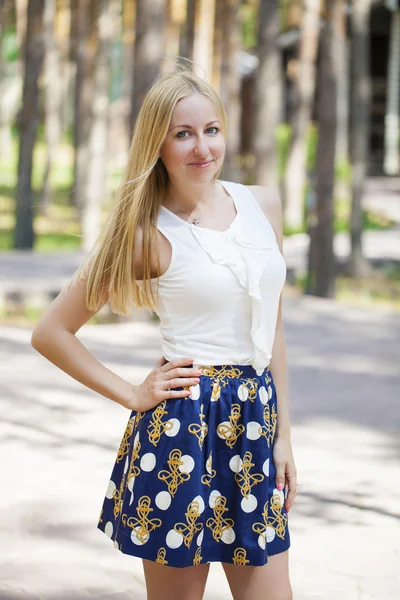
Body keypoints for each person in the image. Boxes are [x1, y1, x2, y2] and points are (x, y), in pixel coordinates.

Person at [31, 66, 297, 600]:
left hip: (254, 424)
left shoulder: (262, 204)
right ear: (158, 144)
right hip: (183, 433)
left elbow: (272, 323)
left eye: (211, 129)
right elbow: (51, 331)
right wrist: (132, 393)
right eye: (183, 134)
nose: (202, 147)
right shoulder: (146, 232)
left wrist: (283, 435)